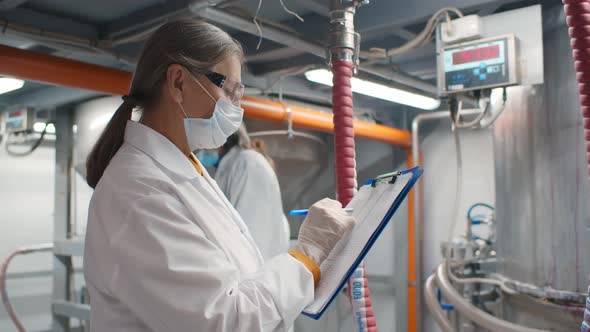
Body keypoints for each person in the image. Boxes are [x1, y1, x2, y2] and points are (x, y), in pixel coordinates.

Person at [83, 20, 355, 332]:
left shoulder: (183, 171)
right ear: (178, 83)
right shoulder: (138, 191)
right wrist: (309, 253)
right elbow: (223, 320)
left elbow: (236, 281)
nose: (236, 107)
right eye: (228, 90)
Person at [197, 124, 290, 261]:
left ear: (221, 139)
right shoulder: (234, 165)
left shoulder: (247, 163)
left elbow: (249, 231)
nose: (198, 148)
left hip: (252, 268)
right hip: (252, 268)